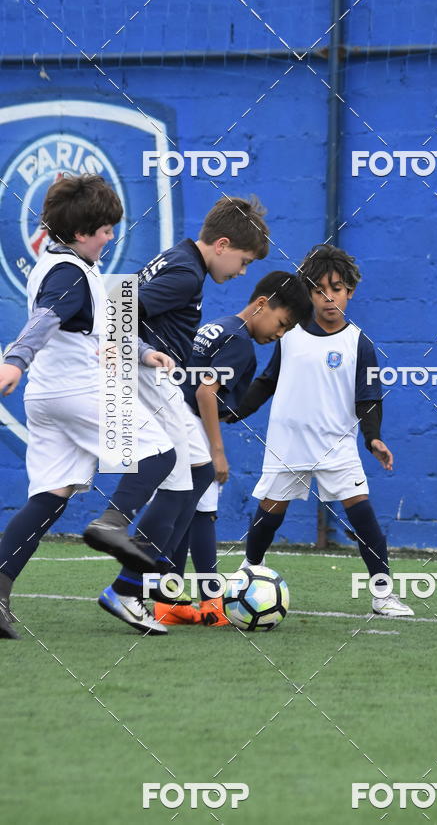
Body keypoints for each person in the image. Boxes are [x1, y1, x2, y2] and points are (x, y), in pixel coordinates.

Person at [0, 174, 176, 639]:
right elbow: (45, 318)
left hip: (47, 398)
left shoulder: (63, 260)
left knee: (48, 498)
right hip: (78, 391)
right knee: (161, 452)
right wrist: (14, 360)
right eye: (105, 229)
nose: (111, 236)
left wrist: (142, 353)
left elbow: (96, 326)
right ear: (81, 233)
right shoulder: (69, 273)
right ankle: (111, 525)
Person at [97, 196, 271, 630]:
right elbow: (118, 309)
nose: (241, 273)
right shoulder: (187, 273)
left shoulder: (177, 258)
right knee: (190, 473)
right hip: (150, 380)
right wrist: (141, 353)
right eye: (243, 261)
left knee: (196, 473)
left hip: (149, 378)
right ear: (223, 243)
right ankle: (128, 582)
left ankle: (143, 581)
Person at [233, 244, 414, 618]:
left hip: (337, 445)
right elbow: (267, 382)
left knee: (363, 516)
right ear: (309, 293)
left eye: (337, 288)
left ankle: (383, 594)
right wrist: (233, 411)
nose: (328, 297)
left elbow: (369, 397)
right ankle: (247, 573)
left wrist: (373, 437)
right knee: (270, 512)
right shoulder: (291, 334)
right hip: (288, 441)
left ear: (350, 291)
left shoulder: (358, 342)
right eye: (319, 289)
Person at [154, 270, 312, 626]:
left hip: (170, 415)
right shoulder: (240, 342)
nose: (280, 334)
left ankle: (169, 599)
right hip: (189, 422)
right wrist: (217, 451)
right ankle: (209, 601)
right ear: (262, 305)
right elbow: (205, 392)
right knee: (203, 512)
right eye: (282, 323)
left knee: (186, 509)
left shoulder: (220, 325)